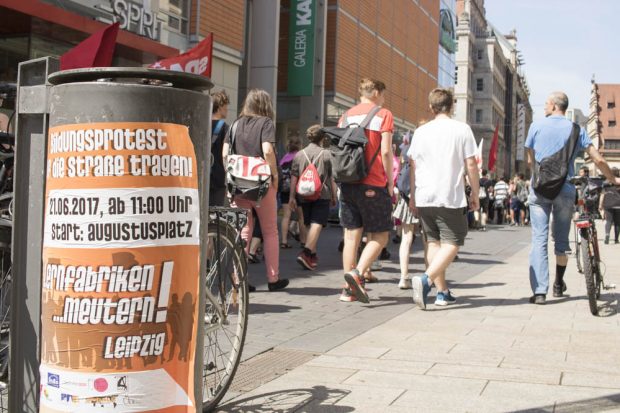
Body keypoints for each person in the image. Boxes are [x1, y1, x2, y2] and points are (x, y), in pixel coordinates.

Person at [526, 91, 620, 304]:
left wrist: (537, 178)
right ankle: (559, 283)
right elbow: (596, 158)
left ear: (552, 106)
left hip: (540, 190)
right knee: (561, 240)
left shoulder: (536, 126)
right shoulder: (577, 130)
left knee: (539, 239)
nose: (544, 108)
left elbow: (530, 160)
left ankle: (540, 292)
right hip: (565, 189)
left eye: (546, 104)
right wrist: (612, 179)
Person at [409, 88, 479, 309]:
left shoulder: (421, 132)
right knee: (453, 242)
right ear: (452, 106)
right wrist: (475, 192)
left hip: (424, 195)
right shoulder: (462, 129)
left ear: (431, 107)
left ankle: (443, 292)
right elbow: (471, 164)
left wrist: (412, 195)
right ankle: (425, 279)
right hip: (449, 194)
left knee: (433, 242)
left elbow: (413, 165)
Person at [222, 89, 289, 291]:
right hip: (261, 185)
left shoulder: (235, 124)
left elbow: (225, 153)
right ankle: (273, 279)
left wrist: (231, 176)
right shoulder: (266, 123)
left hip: (238, 185)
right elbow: (268, 150)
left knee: (243, 230)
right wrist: (274, 175)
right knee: (270, 232)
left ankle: (238, 279)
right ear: (265, 105)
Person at [337, 78, 394, 303]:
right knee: (380, 236)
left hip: (348, 181)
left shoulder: (346, 116)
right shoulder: (383, 114)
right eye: (383, 94)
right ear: (377, 92)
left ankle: (347, 289)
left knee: (351, 236)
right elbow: (387, 152)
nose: (384, 99)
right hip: (373, 181)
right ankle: (358, 273)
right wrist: (390, 181)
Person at [289, 125, 337, 270]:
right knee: (318, 223)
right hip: (322, 193)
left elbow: (294, 176)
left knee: (309, 223)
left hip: (303, 193)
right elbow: (332, 178)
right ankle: (306, 252)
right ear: (323, 138)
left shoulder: (299, 154)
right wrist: (334, 195)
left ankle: (312, 257)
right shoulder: (327, 154)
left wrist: (292, 196)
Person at [278, 136, 307, 249]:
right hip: (298, 189)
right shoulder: (301, 157)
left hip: (285, 189)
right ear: (300, 145)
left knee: (286, 216)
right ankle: (303, 241)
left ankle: (284, 241)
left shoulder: (284, 159)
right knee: (301, 217)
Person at [209, 90, 230, 206]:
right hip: (218, 180)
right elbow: (226, 155)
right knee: (215, 216)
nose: (227, 108)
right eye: (226, 105)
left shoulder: (201, 124)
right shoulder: (225, 128)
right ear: (220, 106)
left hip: (201, 177)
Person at [599, 168, 620, 244]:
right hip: (618, 204)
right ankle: (616, 239)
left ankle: (607, 235)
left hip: (608, 204)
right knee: (617, 222)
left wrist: (600, 205)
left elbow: (602, 195)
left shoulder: (606, 183)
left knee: (608, 221)